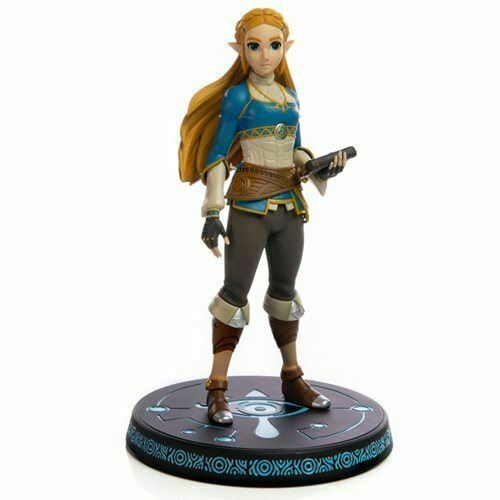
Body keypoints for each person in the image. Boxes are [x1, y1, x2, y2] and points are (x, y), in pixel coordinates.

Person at [178, 8, 348, 425]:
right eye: (254, 45)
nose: (265, 55)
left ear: (286, 47)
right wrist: (212, 211)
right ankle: (217, 387)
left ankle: (292, 377)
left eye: (274, 45)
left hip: (290, 205)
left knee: (285, 293)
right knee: (234, 295)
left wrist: (319, 166)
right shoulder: (238, 96)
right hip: (250, 206)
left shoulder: (290, 97)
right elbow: (218, 154)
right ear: (240, 49)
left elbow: (297, 149)